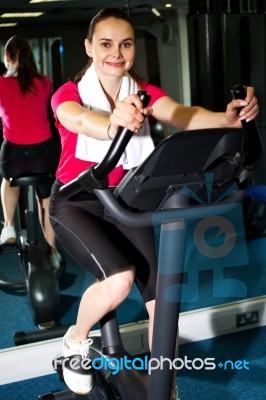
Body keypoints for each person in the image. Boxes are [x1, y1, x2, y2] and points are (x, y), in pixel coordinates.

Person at [49, 7, 259, 398]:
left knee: (163, 306)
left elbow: (183, 114)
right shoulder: (70, 93)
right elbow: (76, 119)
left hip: (128, 200)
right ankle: (75, 343)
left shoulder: (143, 94)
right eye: (106, 44)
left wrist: (226, 119)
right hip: (77, 202)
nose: (117, 52)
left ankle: (165, 387)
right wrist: (113, 124)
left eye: (125, 44)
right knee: (118, 281)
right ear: (89, 48)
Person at [0, 35, 62, 268]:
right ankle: (53, 252)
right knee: (45, 199)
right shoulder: (45, 82)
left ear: (7, 58)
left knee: (8, 179)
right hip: (44, 157)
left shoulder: (1, 84)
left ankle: (8, 226)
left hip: (14, 156)